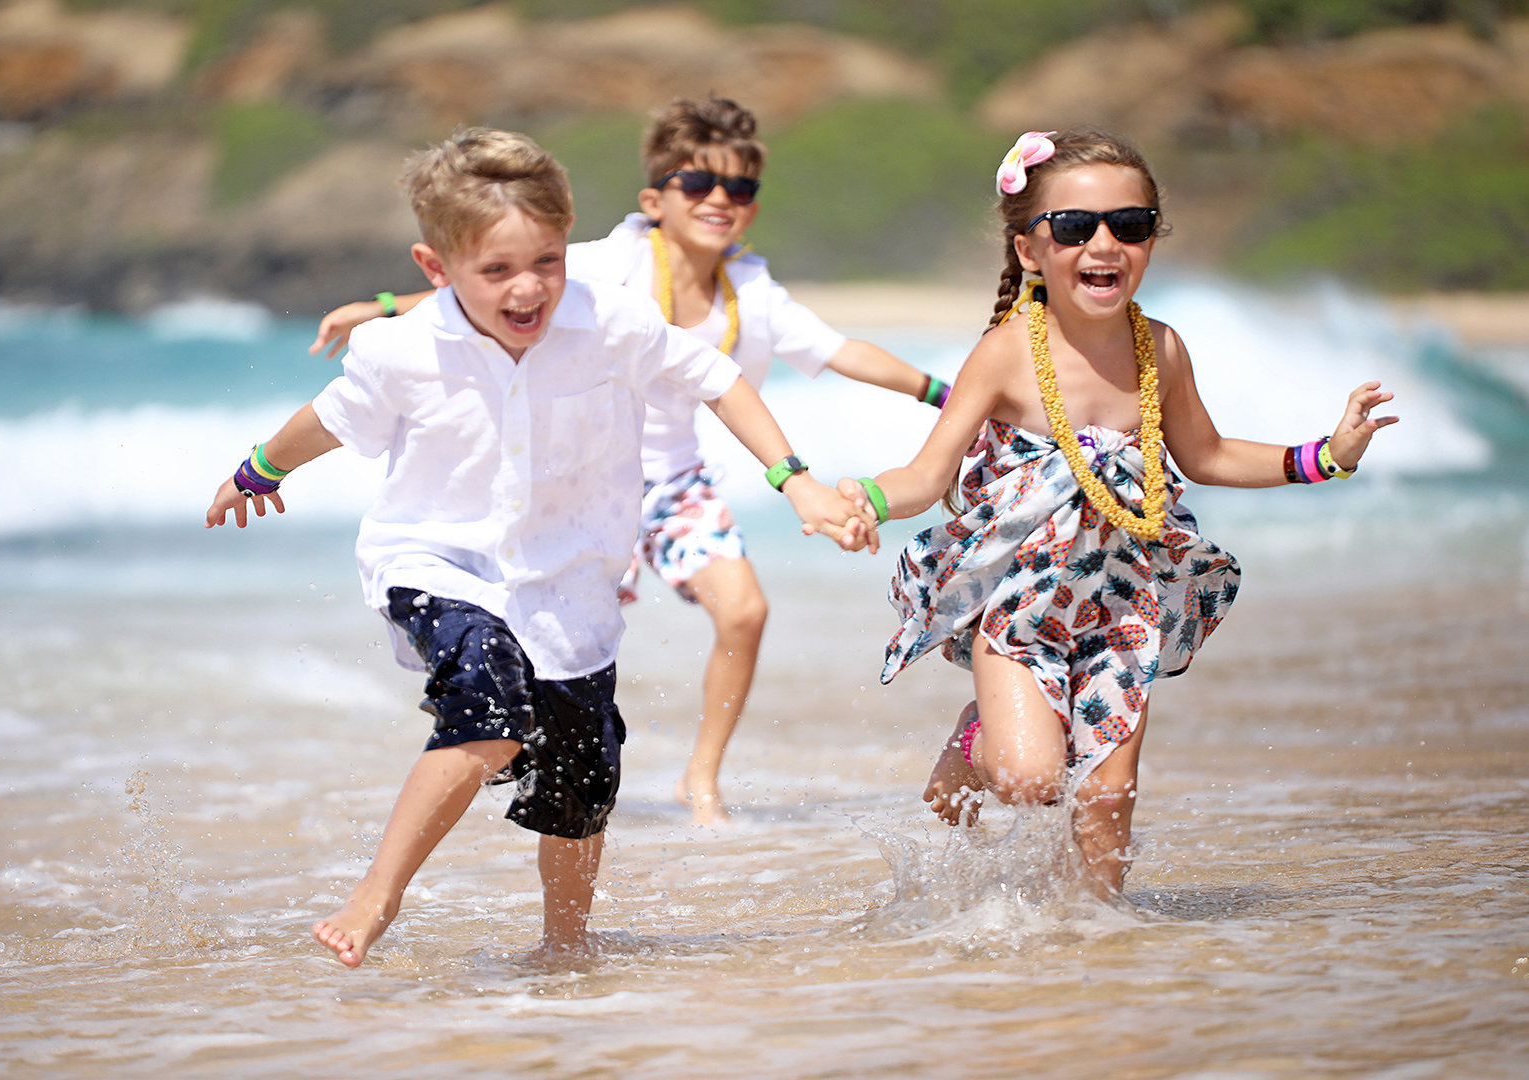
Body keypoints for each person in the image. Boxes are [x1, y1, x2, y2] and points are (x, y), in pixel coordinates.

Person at [205, 127, 875, 967]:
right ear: (435, 268)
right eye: (497, 272)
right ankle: (378, 894)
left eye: (548, 263)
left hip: (570, 585)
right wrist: (259, 469)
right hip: (435, 562)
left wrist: (796, 480)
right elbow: (330, 421)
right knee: (487, 701)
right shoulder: (402, 350)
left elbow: (720, 380)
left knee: (582, 792)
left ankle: (566, 946)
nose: (529, 289)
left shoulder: (612, 323)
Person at [310, 96, 940, 826]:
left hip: (675, 486)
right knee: (532, 647)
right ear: (655, 198)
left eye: (739, 189)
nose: (719, 201)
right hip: (576, 484)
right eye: (698, 184)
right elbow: (494, 275)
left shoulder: (755, 291)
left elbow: (843, 352)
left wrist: (949, 392)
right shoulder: (614, 261)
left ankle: (700, 779)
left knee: (745, 610)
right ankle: (488, 731)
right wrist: (387, 304)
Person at [838, 128, 1397, 899]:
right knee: (1029, 779)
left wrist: (1326, 455)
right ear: (1030, 248)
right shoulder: (1006, 352)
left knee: (1105, 799)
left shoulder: (1160, 350)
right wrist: (862, 500)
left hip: (1119, 603)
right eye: (1075, 227)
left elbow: (1206, 456)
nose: (1104, 243)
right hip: (1021, 606)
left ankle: (1100, 952)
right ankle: (976, 740)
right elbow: (927, 475)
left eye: (1130, 225)